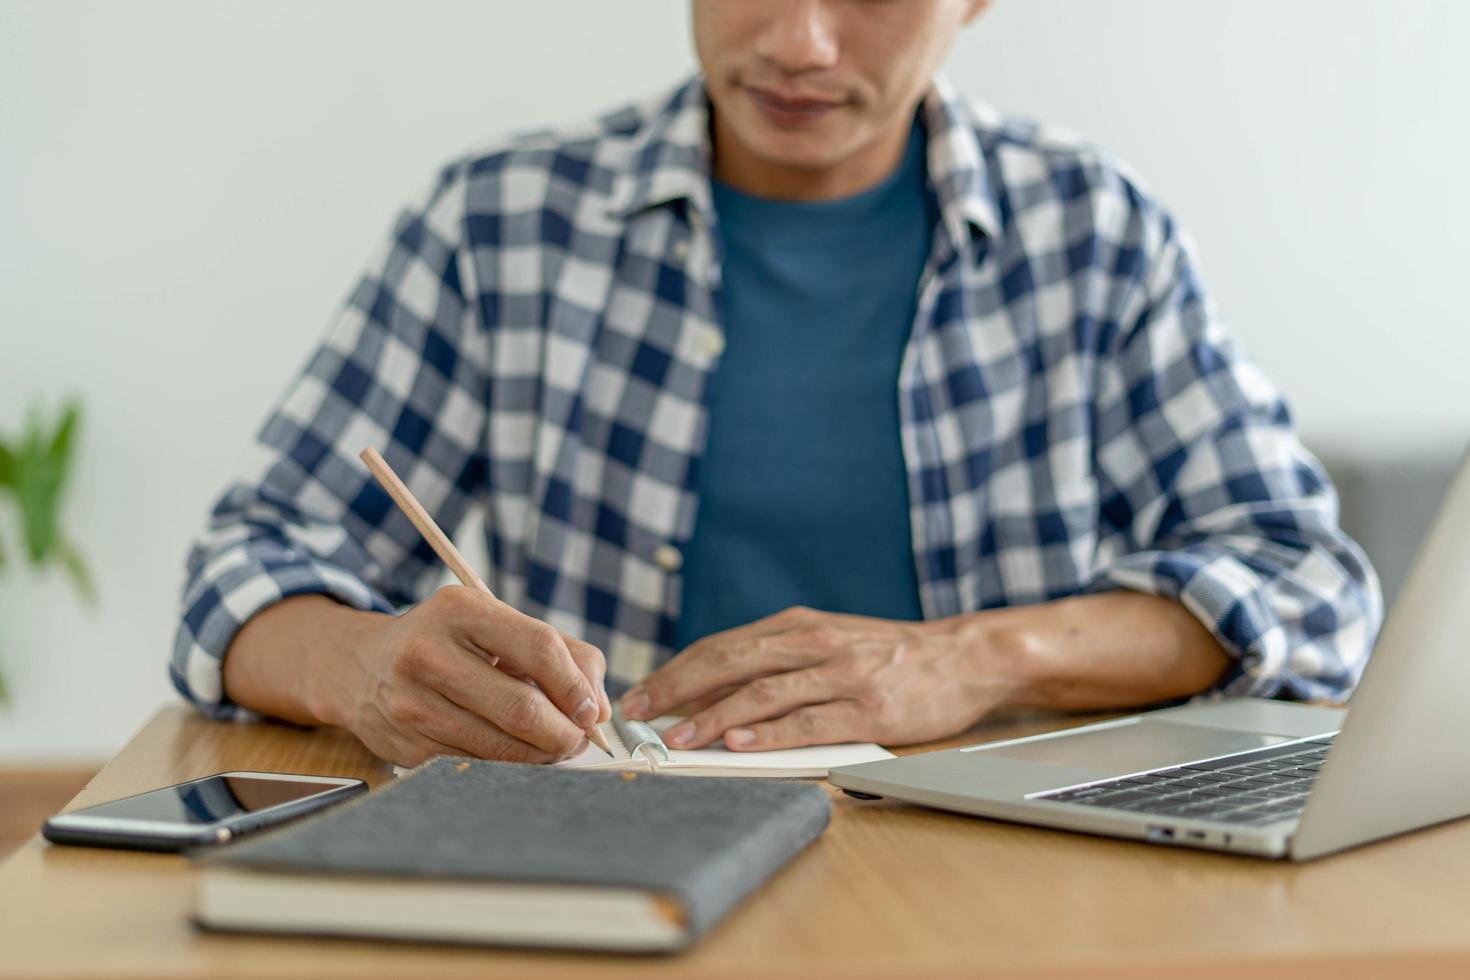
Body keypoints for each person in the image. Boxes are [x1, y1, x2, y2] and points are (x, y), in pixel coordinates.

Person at [172, 0, 1381, 767]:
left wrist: (969, 658)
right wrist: (363, 666)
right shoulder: (501, 222)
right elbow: (245, 564)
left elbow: (1311, 584)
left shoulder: (1094, 229)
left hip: (1004, 862)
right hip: (599, 844)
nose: (800, 41)